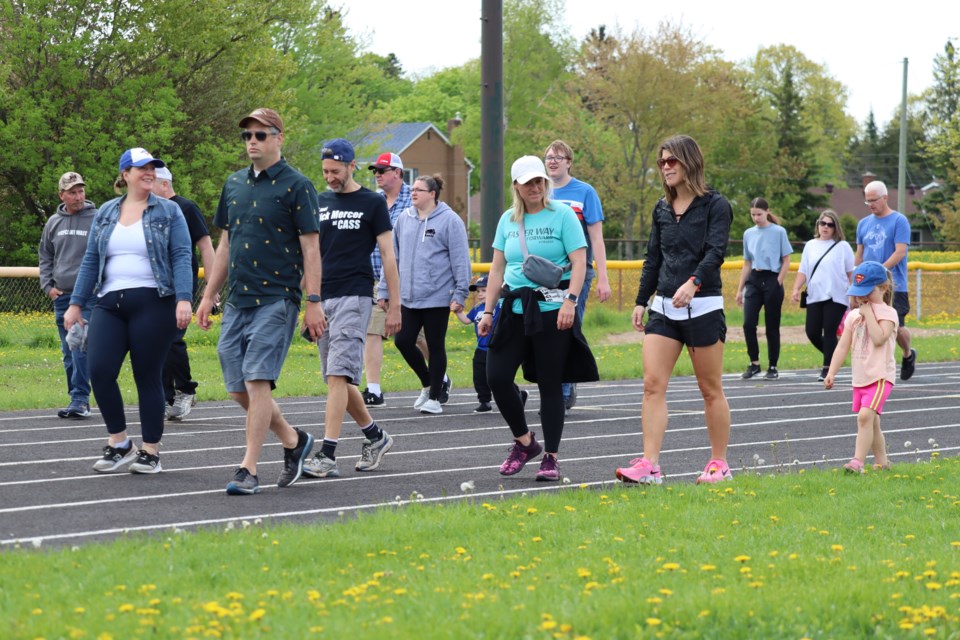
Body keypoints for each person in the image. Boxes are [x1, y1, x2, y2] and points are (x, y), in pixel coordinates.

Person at [196, 108, 322, 496]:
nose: (252, 141)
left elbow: (312, 249)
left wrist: (312, 301)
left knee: (256, 380)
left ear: (278, 138)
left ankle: (248, 468)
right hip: (237, 299)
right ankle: (293, 440)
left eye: (261, 135)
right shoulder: (233, 184)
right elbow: (226, 244)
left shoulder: (297, 185)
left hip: (277, 297)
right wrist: (208, 294)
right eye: (247, 135)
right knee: (237, 387)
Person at [63, 148, 193, 474]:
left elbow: (181, 255)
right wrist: (76, 303)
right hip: (109, 302)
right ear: (125, 174)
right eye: (141, 168)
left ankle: (151, 451)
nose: (149, 172)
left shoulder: (169, 211)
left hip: (155, 300)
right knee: (100, 370)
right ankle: (120, 442)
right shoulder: (106, 212)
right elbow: (91, 259)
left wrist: (184, 298)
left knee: (146, 375)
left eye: (153, 168)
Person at [614, 134, 733, 486]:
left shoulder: (716, 204)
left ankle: (719, 464)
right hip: (664, 307)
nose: (665, 168)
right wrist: (641, 300)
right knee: (652, 385)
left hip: (703, 305)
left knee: (710, 388)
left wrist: (693, 282)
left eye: (671, 161)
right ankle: (650, 465)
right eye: (661, 162)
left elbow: (716, 253)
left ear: (689, 162)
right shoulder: (661, 208)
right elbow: (654, 257)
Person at [477, 155, 597, 483]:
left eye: (539, 181)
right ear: (516, 185)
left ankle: (551, 457)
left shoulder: (563, 216)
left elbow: (580, 262)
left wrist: (571, 302)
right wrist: (488, 311)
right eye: (528, 182)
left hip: (552, 311)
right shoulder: (507, 220)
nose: (535, 187)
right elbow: (497, 268)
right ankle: (525, 442)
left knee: (549, 384)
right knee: (497, 377)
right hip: (514, 309)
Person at [302, 138, 401, 480]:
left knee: (337, 376)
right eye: (325, 171)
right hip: (322, 298)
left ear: (350, 166)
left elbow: (388, 255)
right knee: (338, 379)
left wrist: (394, 305)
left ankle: (327, 453)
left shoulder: (372, 202)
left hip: (355, 294)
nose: (329, 177)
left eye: (335, 171)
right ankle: (376, 437)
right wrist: (306, 298)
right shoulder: (319, 201)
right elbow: (310, 254)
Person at [378, 174, 471, 415]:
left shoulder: (450, 220)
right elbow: (392, 258)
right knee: (403, 341)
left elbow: (461, 260)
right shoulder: (403, 219)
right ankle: (430, 384)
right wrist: (385, 290)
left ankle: (435, 398)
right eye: (413, 189)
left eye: (419, 189)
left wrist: (460, 294)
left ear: (433, 194)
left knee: (436, 345)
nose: (414, 193)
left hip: (438, 296)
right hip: (408, 296)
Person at [544, 140, 611, 412]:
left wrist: (603, 278)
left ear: (569, 161)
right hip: (545, 272)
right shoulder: (540, 191)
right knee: (545, 330)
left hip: (577, 271)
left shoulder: (584, 192)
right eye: (549, 157)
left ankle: (563, 388)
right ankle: (555, 385)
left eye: (559, 157)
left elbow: (596, 237)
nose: (553, 161)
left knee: (568, 326)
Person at [154, 166, 215, 420]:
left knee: (171, 338)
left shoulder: (185, 207)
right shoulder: (148, 211)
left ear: (165, 184)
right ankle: (165, 396)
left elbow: (206, 245)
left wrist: (211, 289)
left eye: (151, 183)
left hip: (181, 285)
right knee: (155, 342)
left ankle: (185, 388)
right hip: (155, 284)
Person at [824, 261, 895, 474]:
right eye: (858, 293)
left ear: (883, 288)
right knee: (872, 423)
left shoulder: (888, 313)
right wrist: (831, 371)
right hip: (861, 377)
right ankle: (882, 462)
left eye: (868, 292)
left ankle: (857, 462)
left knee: (864, 417)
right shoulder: (853, 316)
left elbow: (879, 338)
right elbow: (843, 346)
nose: (862, 298)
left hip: (880, 377)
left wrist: (869, 314)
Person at [39, 172, 97, 419]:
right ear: (62, 195)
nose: (78, 196)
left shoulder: (97, 218)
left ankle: (80, 399)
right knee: (68, 350)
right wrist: (47, 285)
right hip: (61, 295)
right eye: (72, 192)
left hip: (87, 296)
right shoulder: (53, 222)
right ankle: (76, 396)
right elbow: (45, 255)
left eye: (81, 191)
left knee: (80, 345)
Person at [362, 152, 411, 407]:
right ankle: (374, 389)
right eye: (375, 171)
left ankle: (438, 378)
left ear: (398, 173)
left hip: (407, 280)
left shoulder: (416, 198)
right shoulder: (373, 201)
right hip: (375, 279)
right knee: (372, 330)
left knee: (416, 337)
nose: (378, 175)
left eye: (383, 170)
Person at [856, 180, 916, 381]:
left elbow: (900, 251)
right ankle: (877, 369)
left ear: (885, 198)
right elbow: (860, 254)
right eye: (867, 201)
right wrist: (856, 276)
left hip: (894, 283)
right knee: (870, 326)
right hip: (868, 285)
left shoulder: (899, 221)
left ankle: (908, 353)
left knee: (895, 326)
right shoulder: (863, 224)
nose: (871, 204)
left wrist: (880, 271)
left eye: (874, 200)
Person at [790, 209, 854, 381]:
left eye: (830, 225)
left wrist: (854, 295)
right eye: (822, 223)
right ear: (818, 225)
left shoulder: (843, 247)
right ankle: (834, 354)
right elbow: (803, 270)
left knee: (830, 331)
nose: (825, 227)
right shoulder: (810, 245)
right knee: (812, 332)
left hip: (836, 296)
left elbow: (850, 273)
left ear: (835, 228)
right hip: (814, 295)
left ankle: (827, 368)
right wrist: (796, 288)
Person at [735, 197, 792, 380]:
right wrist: (739, 289)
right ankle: (754, 363)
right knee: (748, 323)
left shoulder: (779, 232)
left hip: (772, 279)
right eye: (753, 214)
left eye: (759, 214)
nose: (756, 218)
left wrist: (778, 281)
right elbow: (747, 263)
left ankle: (773, 366)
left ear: (767, 212)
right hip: (754, 279)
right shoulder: (748, 234)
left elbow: (786, 260)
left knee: (771, 326)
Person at [455, 275, 528, 413]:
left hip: (496, 348)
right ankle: (484, 401)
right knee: (479, 377)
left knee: (498, 376)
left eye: (484, 290)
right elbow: (466, 320)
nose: (480, 294)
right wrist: (458, 312)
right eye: (478, 291)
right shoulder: (477, 308)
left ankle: (518, 395)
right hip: (480, 349)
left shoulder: (500, 305)